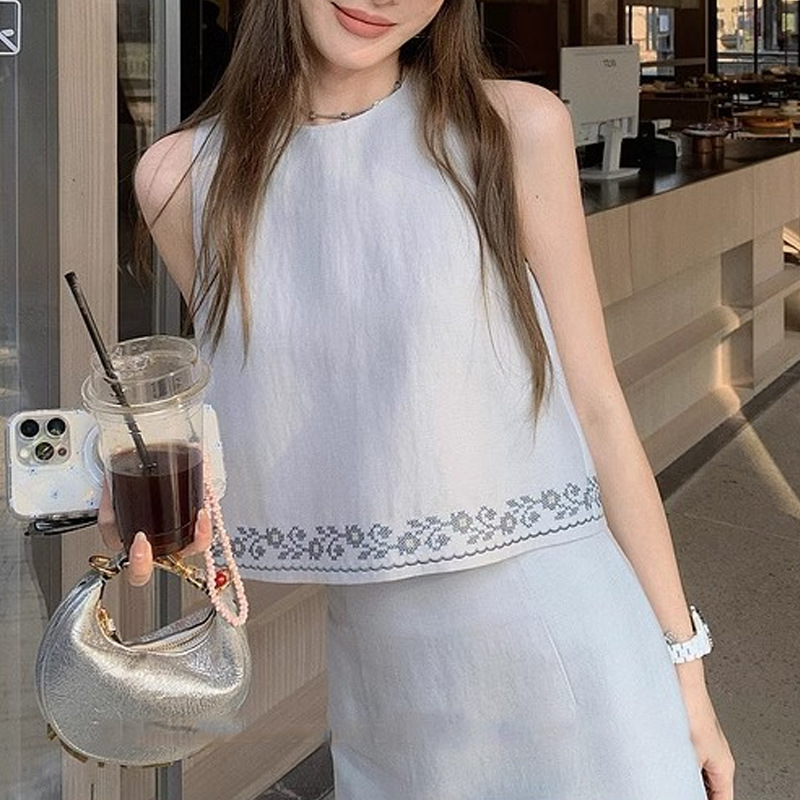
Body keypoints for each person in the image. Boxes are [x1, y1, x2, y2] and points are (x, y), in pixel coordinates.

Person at [107, 1, 735, 798]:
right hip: (390, 699)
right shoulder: (182, 178)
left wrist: (685, 672)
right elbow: (278, 422)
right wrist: (151, 512)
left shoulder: (513, 128)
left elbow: (599, 409)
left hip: (576, 659)